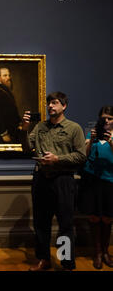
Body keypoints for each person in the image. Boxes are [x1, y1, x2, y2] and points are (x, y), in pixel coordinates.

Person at [20, 91, 86, 271]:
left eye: (55, 103)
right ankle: (44, 259)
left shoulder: (74, 128)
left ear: (64, 106)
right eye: (49, 103)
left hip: (63, 181)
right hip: (41, 179)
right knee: (41, 223)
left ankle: (66, 263)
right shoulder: (40, 127)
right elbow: (27, 148)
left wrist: (58, 159)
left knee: (65, 225)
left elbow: (81, 156)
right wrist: (25, 129)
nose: (50, 106)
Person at [78, 106, 113, 269]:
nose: (106, 121)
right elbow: (83, 157)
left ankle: (106, 252)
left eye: (110, 118)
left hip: (110, 181)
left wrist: (111, 141)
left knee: (107, 218)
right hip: (92, 180)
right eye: (104, 118)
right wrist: (91, 140)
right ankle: (97, 252)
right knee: (94, 217)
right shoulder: (90, 134)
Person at [0, 67, 22, 144]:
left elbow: (13, 111)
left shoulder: (6, 92)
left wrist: (19, 123)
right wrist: (4, 133)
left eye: (9, 75)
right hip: (3, 136)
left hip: (13, 133)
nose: (8, 78)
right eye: (5, 75)